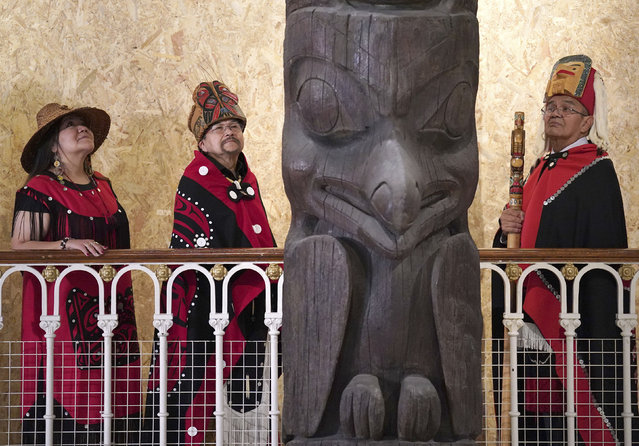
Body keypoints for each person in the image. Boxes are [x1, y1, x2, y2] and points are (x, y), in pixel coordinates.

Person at [494, 55, 638, 444]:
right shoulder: (538, 168)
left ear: (587, 121)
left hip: (571, 321)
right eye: (550, 107)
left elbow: (598, 254)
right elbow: (518, 238)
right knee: (536, 418)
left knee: (570, 420)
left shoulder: (597, 171)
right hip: (526, 319)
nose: (555, 114)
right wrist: (504, 227)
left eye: (567, 108)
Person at [143, 81, 277, 445]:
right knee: (195, 383)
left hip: (246, 298)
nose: (228, 132)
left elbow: (257, 236)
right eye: (218, 128)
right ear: (202, 142)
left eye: (234, 126)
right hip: (203, 302)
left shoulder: (246, 179)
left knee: (245, 393)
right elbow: (202, 244)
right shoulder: (196, 180)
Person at [11, 103, 141, 444]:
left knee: (118, 395)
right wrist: (66, 243)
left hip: (115, 309)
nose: (81, 129)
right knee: (71, 393)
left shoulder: (104, 185)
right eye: (70, 125)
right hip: (65, 314)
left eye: (83, 124)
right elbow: (19, 246)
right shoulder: (40, 188)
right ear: (53, 144)